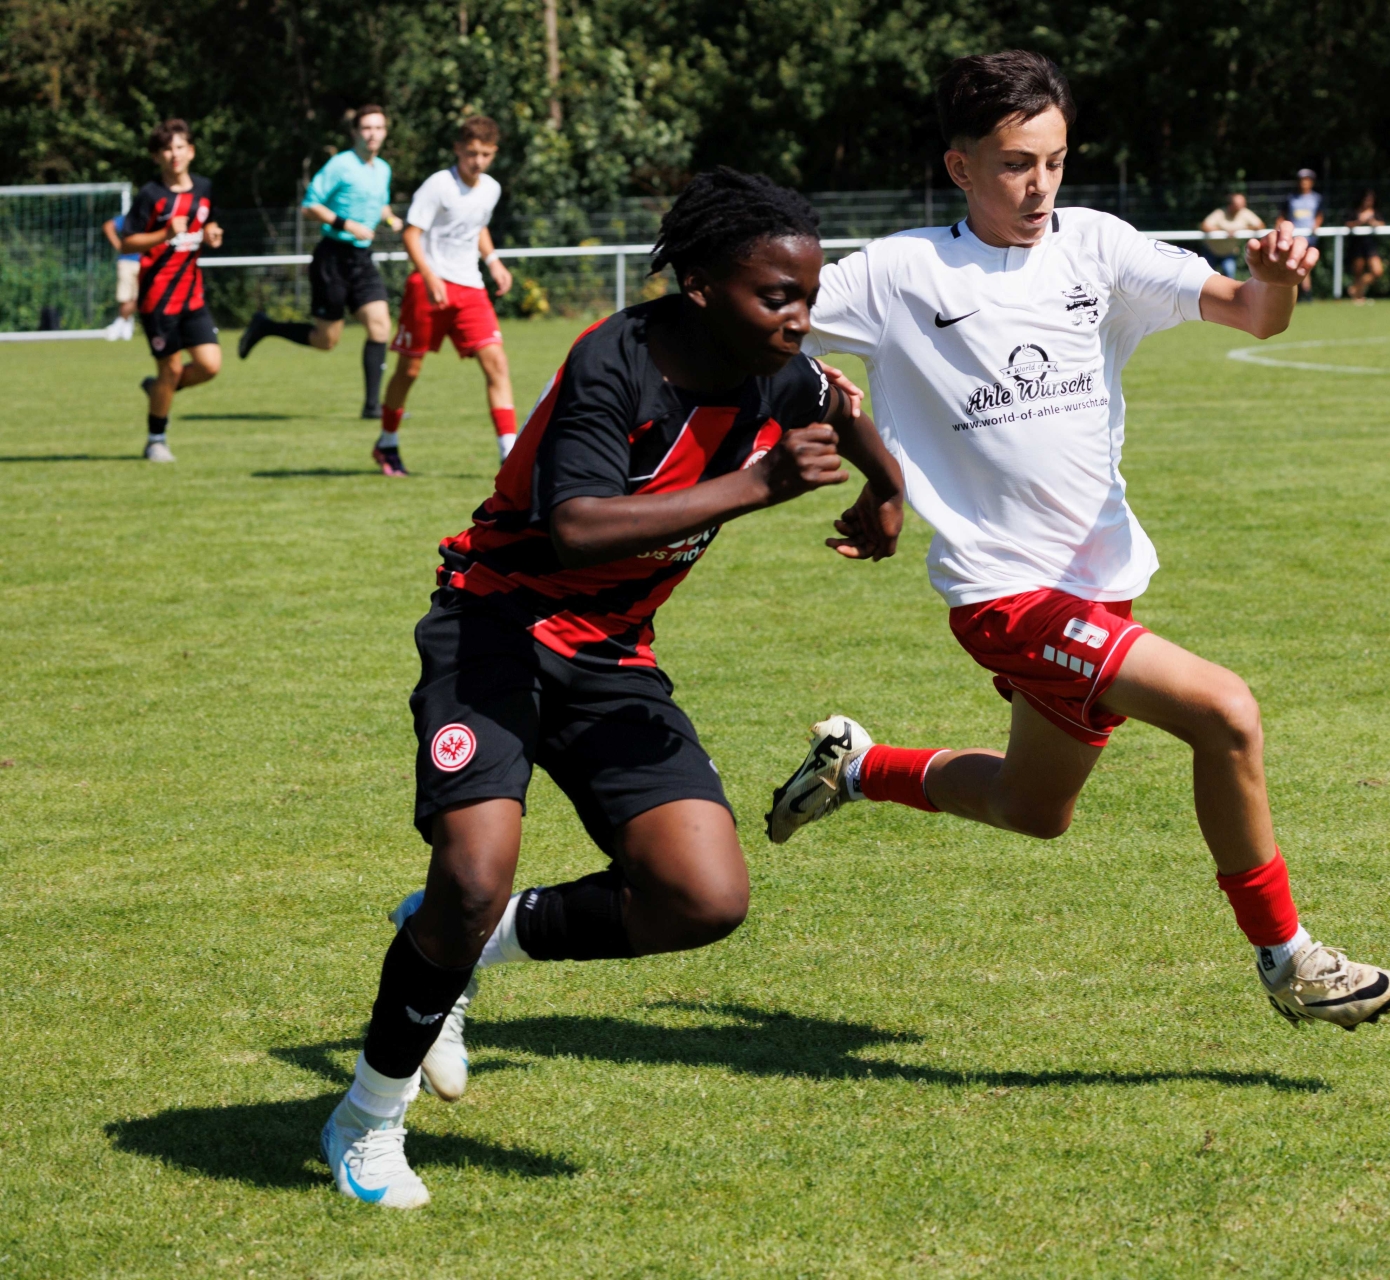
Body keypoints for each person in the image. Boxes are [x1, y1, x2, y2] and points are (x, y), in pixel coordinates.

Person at [768, 51, 1390, 1037]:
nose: (1040, 187)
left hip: (1101, 586)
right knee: (1226, 712)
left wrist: (1275, 283)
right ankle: (1290, 959)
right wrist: (843, 423)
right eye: (1016, 164)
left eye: (1056, 162)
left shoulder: (1098, 248)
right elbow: (765, 328)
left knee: (1033, 807)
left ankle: (852, 767)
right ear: (960, 167)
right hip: (1004, 595)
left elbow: (1253, 316)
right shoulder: (899, 274)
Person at [318, 167, 908, 1210]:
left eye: (809, 297)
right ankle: (366, 1118)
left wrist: (887, 489)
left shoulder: (779, 368)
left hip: (610, 652)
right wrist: (756, 485)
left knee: (703, 895)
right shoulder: (615, 361)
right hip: (495, 626)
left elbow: (840, 406)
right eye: (777, 296)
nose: (799, 318)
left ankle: (468, 943)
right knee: (472, 872)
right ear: (701, 286)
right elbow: (576, 526)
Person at [239, 105, 405, 418]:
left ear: (385, 132)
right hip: (333, 257)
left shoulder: (382, 169)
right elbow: (309, 206)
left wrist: (390, 218)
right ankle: (266, 326)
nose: (373, 134)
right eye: (367, 128)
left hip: (362, 259)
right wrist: (347, 224)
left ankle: (373, 407)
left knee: (381, 326)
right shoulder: (340, 165)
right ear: (355, 132)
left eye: (379, 128)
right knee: (326, 340)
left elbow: (379, 204)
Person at [375, 115, 517, 476]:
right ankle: (387, 442)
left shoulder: (491, 189)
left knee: (497, 363)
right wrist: (429, 275)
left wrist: (494, 261)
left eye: (486, 154)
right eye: (472, 153)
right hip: (428, 287)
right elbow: (411, 234)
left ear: (494, 153)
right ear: (458, 149)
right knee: (409, 370)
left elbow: (477, 225)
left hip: (470, 288)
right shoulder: (438, 185)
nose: (478, 161)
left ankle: (510, 454)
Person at [119, 119, 224, 463]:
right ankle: (156, 440)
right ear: (156, 156)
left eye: (180, 147)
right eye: (166, 149)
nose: (174, 154)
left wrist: (212, 234)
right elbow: (126, 242)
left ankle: (158, 389)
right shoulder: (151, 195)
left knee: (210, 366)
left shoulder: (204, 187)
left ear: (191, 151)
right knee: (172, 369)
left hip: (192, 295)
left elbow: (209, 221)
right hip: (158, 299)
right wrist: (164, 234)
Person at [1200, 192, 1265, 279]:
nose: (1242, 207)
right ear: (1230, 205)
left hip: (1229, 253)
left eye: (1242, 204)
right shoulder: (1220, 213)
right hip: (1211, 251)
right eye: (1238, 205)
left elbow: (1260, 226)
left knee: (1229, 275)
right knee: (1206, 277)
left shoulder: (1245, 213)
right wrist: (1224, 231)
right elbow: (1204, 226)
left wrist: (1243, 229)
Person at [1285, 169, 1325, 301]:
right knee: (1298, 264)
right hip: (1294, 238)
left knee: (1303, 264)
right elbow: (1282, 216)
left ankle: (1304, 292)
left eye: (1307, 180)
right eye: (1302, 180)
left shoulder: (1317, 198)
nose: (1304, 182)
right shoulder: (1291, 198)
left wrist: (1316, 225)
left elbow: (1320, 215)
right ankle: (1304, 292)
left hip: (1310, 238)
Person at [100, 213, 140, 340]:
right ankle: (125, 324)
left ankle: (120, 322)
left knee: (142, 297)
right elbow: (108, 226)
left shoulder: (154, 217)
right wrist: (118, 245)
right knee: (125, 297)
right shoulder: (129, 218)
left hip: (146, 262)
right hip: (127, 261)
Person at [1345, 190, 1387, 302]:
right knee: (1357, 273)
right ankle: (1358, 297)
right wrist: (1359, 221)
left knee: (1377, 271)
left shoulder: (1375, 213)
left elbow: (1382, 224)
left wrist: (1373, 222)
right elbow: (1347, 224)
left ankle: (1355, 288)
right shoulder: (1354, 212)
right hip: (1357, 245)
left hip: (1370, 245)